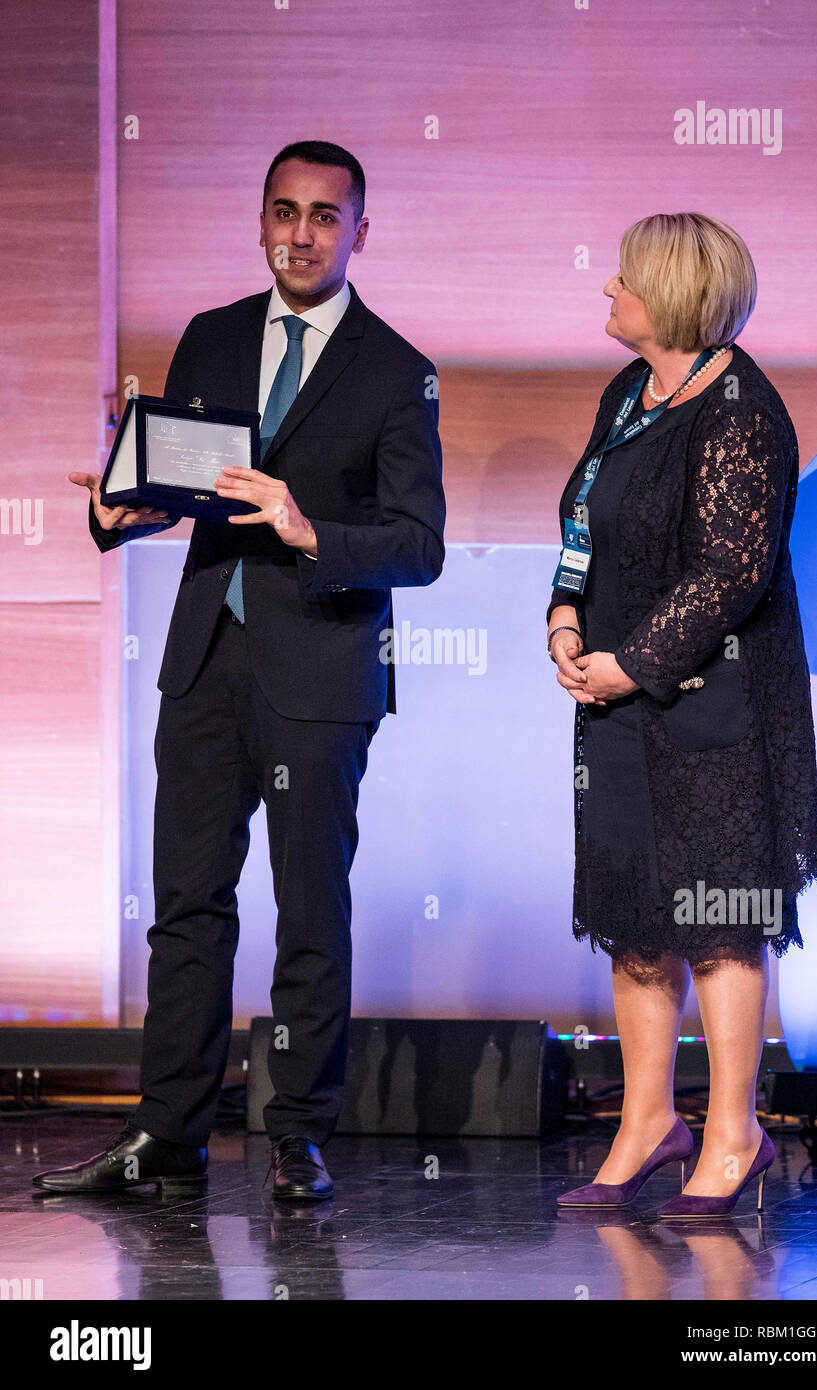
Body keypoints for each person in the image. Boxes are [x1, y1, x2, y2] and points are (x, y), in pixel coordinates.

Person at [34, 140, 446, 1202]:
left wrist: (310, 530)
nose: (300, 233)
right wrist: (116, 509)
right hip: (206, 658)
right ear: (260, 217)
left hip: (317, 665)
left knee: (309, 911)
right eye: (283, 211)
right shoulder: (210, 337)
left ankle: (295, 1136)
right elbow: (177, 487)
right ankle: (165, 1139)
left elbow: (419, 543)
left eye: (322, 215)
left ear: (359, 230)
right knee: (187, 907)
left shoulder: (396, 369)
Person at [547, 213, 817, 1217]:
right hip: (617, 698)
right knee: (634, 916)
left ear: (668, 296)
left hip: (714, 704)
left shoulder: (742, 410)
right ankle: (646, 1122)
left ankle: (731, 1134)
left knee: (715, 920)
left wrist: (631, 663)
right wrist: (563, 617)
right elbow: (580, 515)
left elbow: (728, 574)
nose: (606, 291)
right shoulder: (629, 394)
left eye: (621, 278)